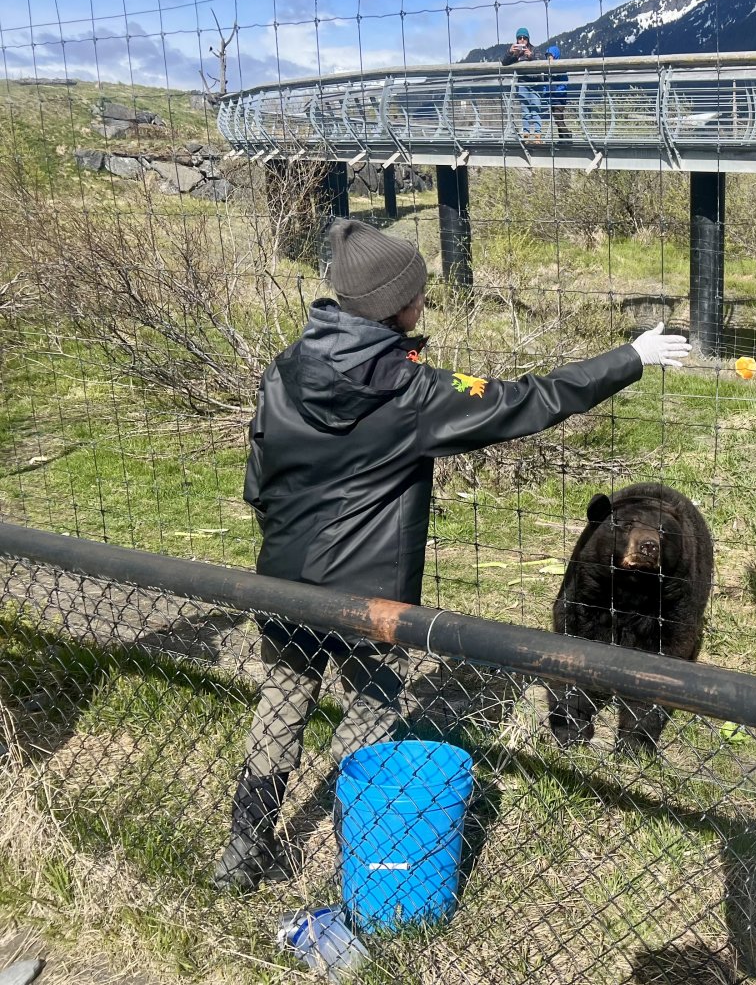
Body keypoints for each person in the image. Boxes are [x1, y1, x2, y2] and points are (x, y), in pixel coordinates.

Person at [213, 218, 690, 893]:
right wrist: (630, 357)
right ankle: (365, 849)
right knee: (375, 703)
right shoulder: (410, 392)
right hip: (368, 599)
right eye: (418, 291)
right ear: (390, 305)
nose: (425, 300)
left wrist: (283, 543)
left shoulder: (289, 364)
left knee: (283, 698)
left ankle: (243, 849)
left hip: (284, 579)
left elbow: (258, 477)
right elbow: (529, 400)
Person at [501, 27, 544, 144]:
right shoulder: (516, 54)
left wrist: (531, 57)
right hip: (522, 84)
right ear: (516, 40)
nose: (522, 40)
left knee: (535, 108)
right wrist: (510, 52)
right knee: (525, 110)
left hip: (536, 83)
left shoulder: (535, 50)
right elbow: (504, 63)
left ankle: (537, 136)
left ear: (528, 39)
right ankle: (525, 135)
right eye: (519, 38)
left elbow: (542, 62)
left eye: (524, 38)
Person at [545, 43, 571, 142]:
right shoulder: (549, 70)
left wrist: (556, 91)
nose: (548, 59)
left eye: (550, 56)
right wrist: (546, 92)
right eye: (547, 57)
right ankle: (563, 138)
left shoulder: (560, 69)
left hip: (559, 99)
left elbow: (564, 84)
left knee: (558, 118)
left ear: (555, 56)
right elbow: (546, 84)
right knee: (558, 119)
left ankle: (567, 136)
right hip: (552, 99)